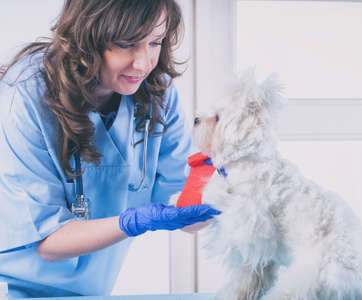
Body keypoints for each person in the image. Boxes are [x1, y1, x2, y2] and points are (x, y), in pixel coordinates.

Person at [0, 0, 219, 297]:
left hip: (91, 290)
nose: (142, 63)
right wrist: (132, 222)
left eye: (155, 42)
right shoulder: (25, 95)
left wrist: (220, 192)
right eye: (126, 44)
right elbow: (45, 239)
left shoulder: (157, 93)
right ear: (88, 36)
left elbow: (181, 207)